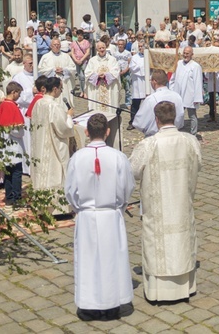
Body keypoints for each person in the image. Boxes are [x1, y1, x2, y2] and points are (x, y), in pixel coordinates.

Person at [65, 113, 134, 322]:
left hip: (87, 215)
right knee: (112, 259)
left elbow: (70, 190)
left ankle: (89, 307)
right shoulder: (118, 157)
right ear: (108, 131)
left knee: (89, 261)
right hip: (110, 215)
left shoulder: (77, 158)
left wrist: (80, 208)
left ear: (87, 132)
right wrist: (118, 207)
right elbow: (127, 187)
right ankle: (111, 305)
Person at [130, 101, 202, 302]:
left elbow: (133, 171)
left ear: (156, 119)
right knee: (181, 241)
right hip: (181, 202)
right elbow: (199, 164)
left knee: (158, 242)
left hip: (157, 208)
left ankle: (159, 292)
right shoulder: (190, 141)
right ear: (176, 117)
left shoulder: (148, 145)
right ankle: (184, 288)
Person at [30, 77, 75, 213]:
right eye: (61, 88)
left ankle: (42, 207)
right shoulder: (54, 106)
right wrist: (69, 116)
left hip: (40, 145)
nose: (61, 91)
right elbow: (63, 129)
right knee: (54, 172)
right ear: (55, 89)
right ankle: (57, 210)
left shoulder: (38, 103)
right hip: (52, 147)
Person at [0, 82, 26, 209]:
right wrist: (21, 132)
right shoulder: (11, 106)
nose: (19, 96)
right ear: (14, 92)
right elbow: (16, 130)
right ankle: (17, 198)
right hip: (13, 146)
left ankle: (9, 197)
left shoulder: (1, 106)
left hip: (3, 146)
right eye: (19, 93)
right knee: (16, 172)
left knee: (7, 173)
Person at [133, 69, 185, 136]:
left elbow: (139, 123)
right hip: (174, 134)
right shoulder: (177, 96)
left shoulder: (151, 99)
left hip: (155, 135)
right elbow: (180, 117)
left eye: (150, 80)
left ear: (154, 81)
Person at [170, 46, 204, 137]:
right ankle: (177, 131)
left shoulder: (195, 66)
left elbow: (198, 82)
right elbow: (174, 78)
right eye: (184, 53)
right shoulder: (179, 63)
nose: (185, 55)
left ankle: (193, 134)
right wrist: (172, 90)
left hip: (190, 94)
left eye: (187, 53)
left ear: (192, 54)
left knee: (192, 115)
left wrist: (197, 97)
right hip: (179, 93)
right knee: (178, 114)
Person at [11, 54, 35, 175]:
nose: (32, 65)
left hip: (37, 110)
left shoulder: (38, 75)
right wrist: (31, 91)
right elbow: (16, 96)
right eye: (30, 63)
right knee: (27, 139)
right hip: (25, 111)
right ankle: (27, 167)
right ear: (24, 64)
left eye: (33, 63)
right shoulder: (18, 78)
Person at [38, 38, 76, 107]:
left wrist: (64, 70)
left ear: (60, 46)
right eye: (54, 44)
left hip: (64, 83)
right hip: (51, 84)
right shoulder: (45, 57)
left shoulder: (66, 56)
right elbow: (41, 70)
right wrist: (53, 70)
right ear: (51, 46)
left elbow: (73, 68)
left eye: (58, 44)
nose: (56, 46)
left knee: (64, 102)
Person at [85, 41, 121, 113]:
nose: (102, 50)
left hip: (109, 89)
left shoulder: (112, 59)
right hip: (97, 89)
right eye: (100, 48)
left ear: (106, 48)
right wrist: (97, 76)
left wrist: (106, 76)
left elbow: (116, 71)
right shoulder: (92, 60)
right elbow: (87, 73)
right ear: (97, 50)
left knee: (110, 110)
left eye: (103, 48)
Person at [128, 42, 147, 130]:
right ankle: (132, 121)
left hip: (147, 82)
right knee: (135, 103)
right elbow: (132, 68)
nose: (140, 48)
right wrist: (143, 67)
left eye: (142, 46)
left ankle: (148, 122)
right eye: (139, 46)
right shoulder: (134, 57)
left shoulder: (149, 56)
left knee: (148, 103)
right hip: (137, 82)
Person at [70, 30, 91, 96]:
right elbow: (72, 52)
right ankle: (82, 91)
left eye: (81, 35)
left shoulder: (86, 42)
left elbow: (88, 52)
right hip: (77, 61)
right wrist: (76, 60)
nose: (80, 36)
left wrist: (82, 60)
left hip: (84, 61)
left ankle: (85, 91)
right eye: (78, 35)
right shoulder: (74, 43)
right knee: (80, 76)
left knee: (83, 76)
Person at [114, 39, 132, 109]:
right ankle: (117, 103)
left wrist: (125, 71)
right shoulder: (115, 53)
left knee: (127, 89)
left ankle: (127, 103)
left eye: (122, 44)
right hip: (117, 73)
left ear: (124, 45)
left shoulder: (127, 53)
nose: (120, 46)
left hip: (126, 72)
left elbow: (130, 63)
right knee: (117, 89)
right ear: (117, 45)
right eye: (119, 44)